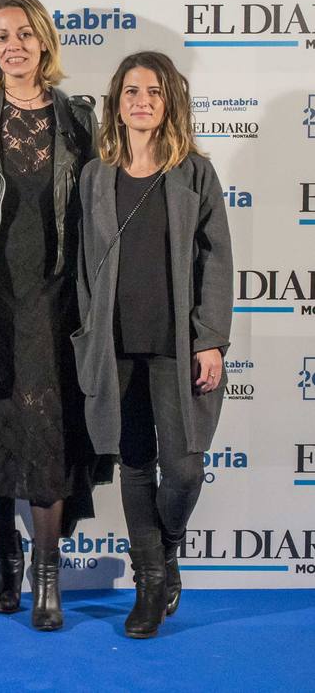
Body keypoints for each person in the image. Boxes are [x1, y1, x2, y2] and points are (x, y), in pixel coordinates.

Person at [0, 0, 104, 630]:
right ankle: (6, 565)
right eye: (0, 35)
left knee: (46, 434)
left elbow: (96, 213)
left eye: (23, 34)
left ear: (44, 41)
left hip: (55, 298)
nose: (12, 45)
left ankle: (48, 577)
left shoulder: (76, 120)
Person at [74, 51, 232, 639]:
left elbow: (218, 260)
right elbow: (86, 267)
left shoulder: (194, 173)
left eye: (155, 92)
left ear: (170, 102)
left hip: (178, 345)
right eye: (132, 91)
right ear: (116, 102)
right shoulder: (96, 175)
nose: (142, 101)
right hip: (114, 346)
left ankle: (165, 551)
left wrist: (211, 338)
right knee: (135, 464)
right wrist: (88, 333)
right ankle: (148, 585)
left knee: (185, 468)